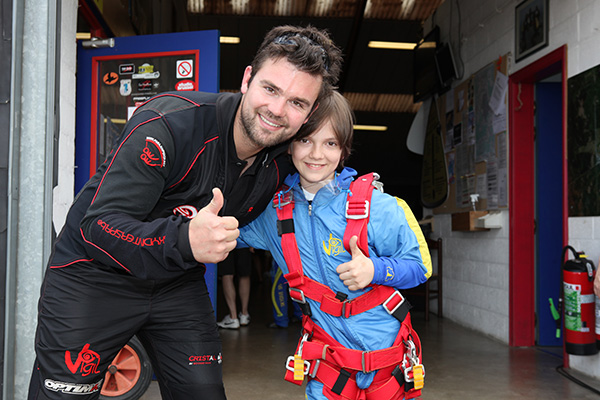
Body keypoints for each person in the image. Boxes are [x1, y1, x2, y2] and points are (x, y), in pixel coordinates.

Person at [28, 25, 343, 400]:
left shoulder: (283, 157)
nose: (277, 110)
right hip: (94, 278)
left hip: (175, 283)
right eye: (270, 89)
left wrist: (363, 191)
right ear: (247, 80)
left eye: (297, 103)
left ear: (308, 113)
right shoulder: (170, 124)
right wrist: (184, 238)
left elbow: (327, 158)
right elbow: (97, 226)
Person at [238, 91, 432, 399]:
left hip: (388, 364)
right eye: (305, 140)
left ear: (344, 149)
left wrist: (375, 269)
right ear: (288, 144)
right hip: (329, 368)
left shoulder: (380, 207)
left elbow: (421, 267)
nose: (316, 154)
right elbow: (223, 233)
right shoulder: (271, 213)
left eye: (330, 143)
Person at [217, 248, 253, 329]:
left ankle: (233, 317)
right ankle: (244, 315)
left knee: (227, 274)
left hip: (225, 240)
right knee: (244, 274)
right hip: (243, 239)